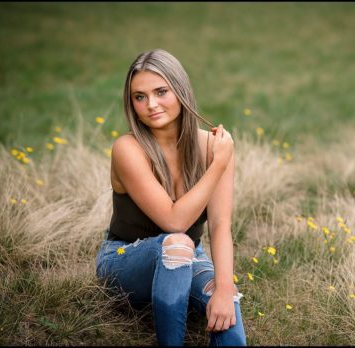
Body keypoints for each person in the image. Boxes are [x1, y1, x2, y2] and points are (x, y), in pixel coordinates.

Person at [95, 49, 246, 346]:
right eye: (139, 97)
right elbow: (174, 221)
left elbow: (219, 225)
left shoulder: (209, 146)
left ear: (181, 90)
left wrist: (225, 291)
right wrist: (217, 165)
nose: (151, 105)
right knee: (177, 243)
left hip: (189, 258)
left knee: (228, 307)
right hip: (124, 260)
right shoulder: (128, 149)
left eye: (161, 92)